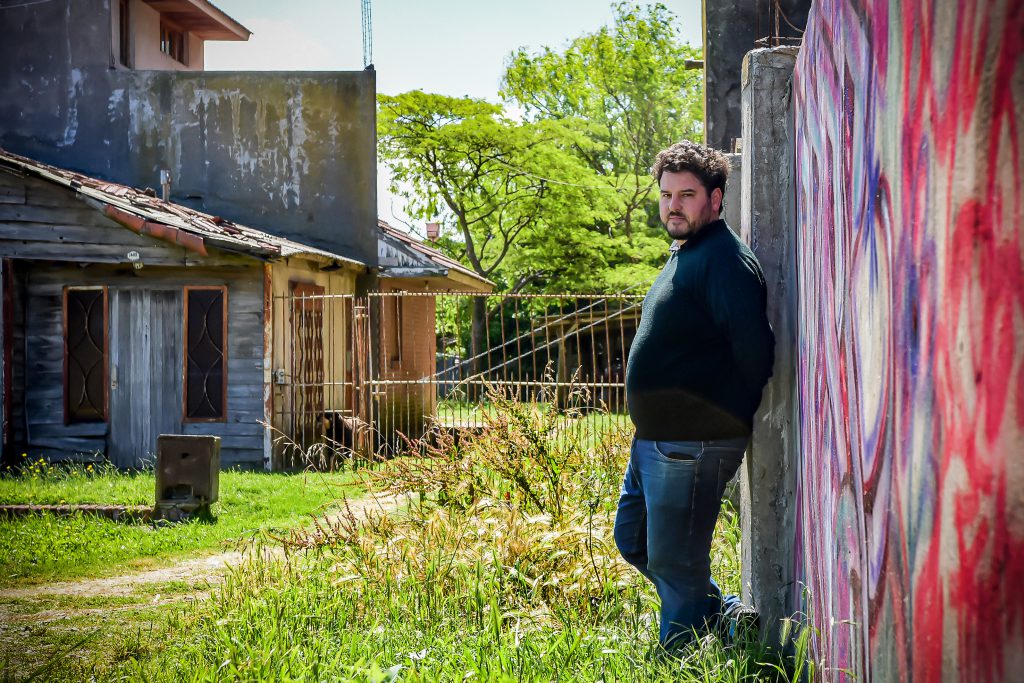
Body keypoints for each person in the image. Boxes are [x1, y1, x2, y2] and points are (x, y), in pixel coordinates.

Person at [614, 140, 775, 653]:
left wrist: (714, 421)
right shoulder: (688, 253)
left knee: (675, 563)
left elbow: (756, 353)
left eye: (686, 194)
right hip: (657, 440)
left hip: (692, 442)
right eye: (665, 195)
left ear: (715, 198)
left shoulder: (726, 261)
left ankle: (678, 657)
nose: (673, 206)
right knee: (634, 541)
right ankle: (725, 616)